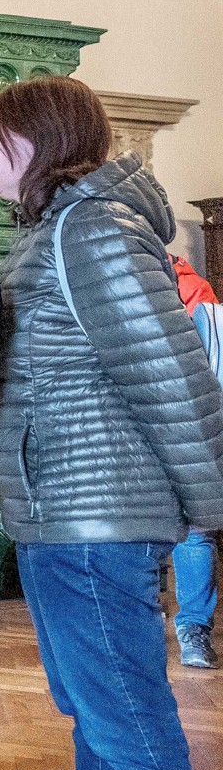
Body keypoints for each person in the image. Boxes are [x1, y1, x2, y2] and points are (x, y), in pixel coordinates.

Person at [0, 75, 223, 770]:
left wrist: (214, 506)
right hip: (63, 517)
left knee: (136, 734)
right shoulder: (61, 227)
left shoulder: (92, 228)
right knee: (98, 715)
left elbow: (173, 377)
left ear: (40, 140)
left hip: (94, 522)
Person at [167, 253, 223, 669]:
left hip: (190, 429)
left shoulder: (197, 297)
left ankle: (194, 628)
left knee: (194, 530)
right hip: (141, 427)